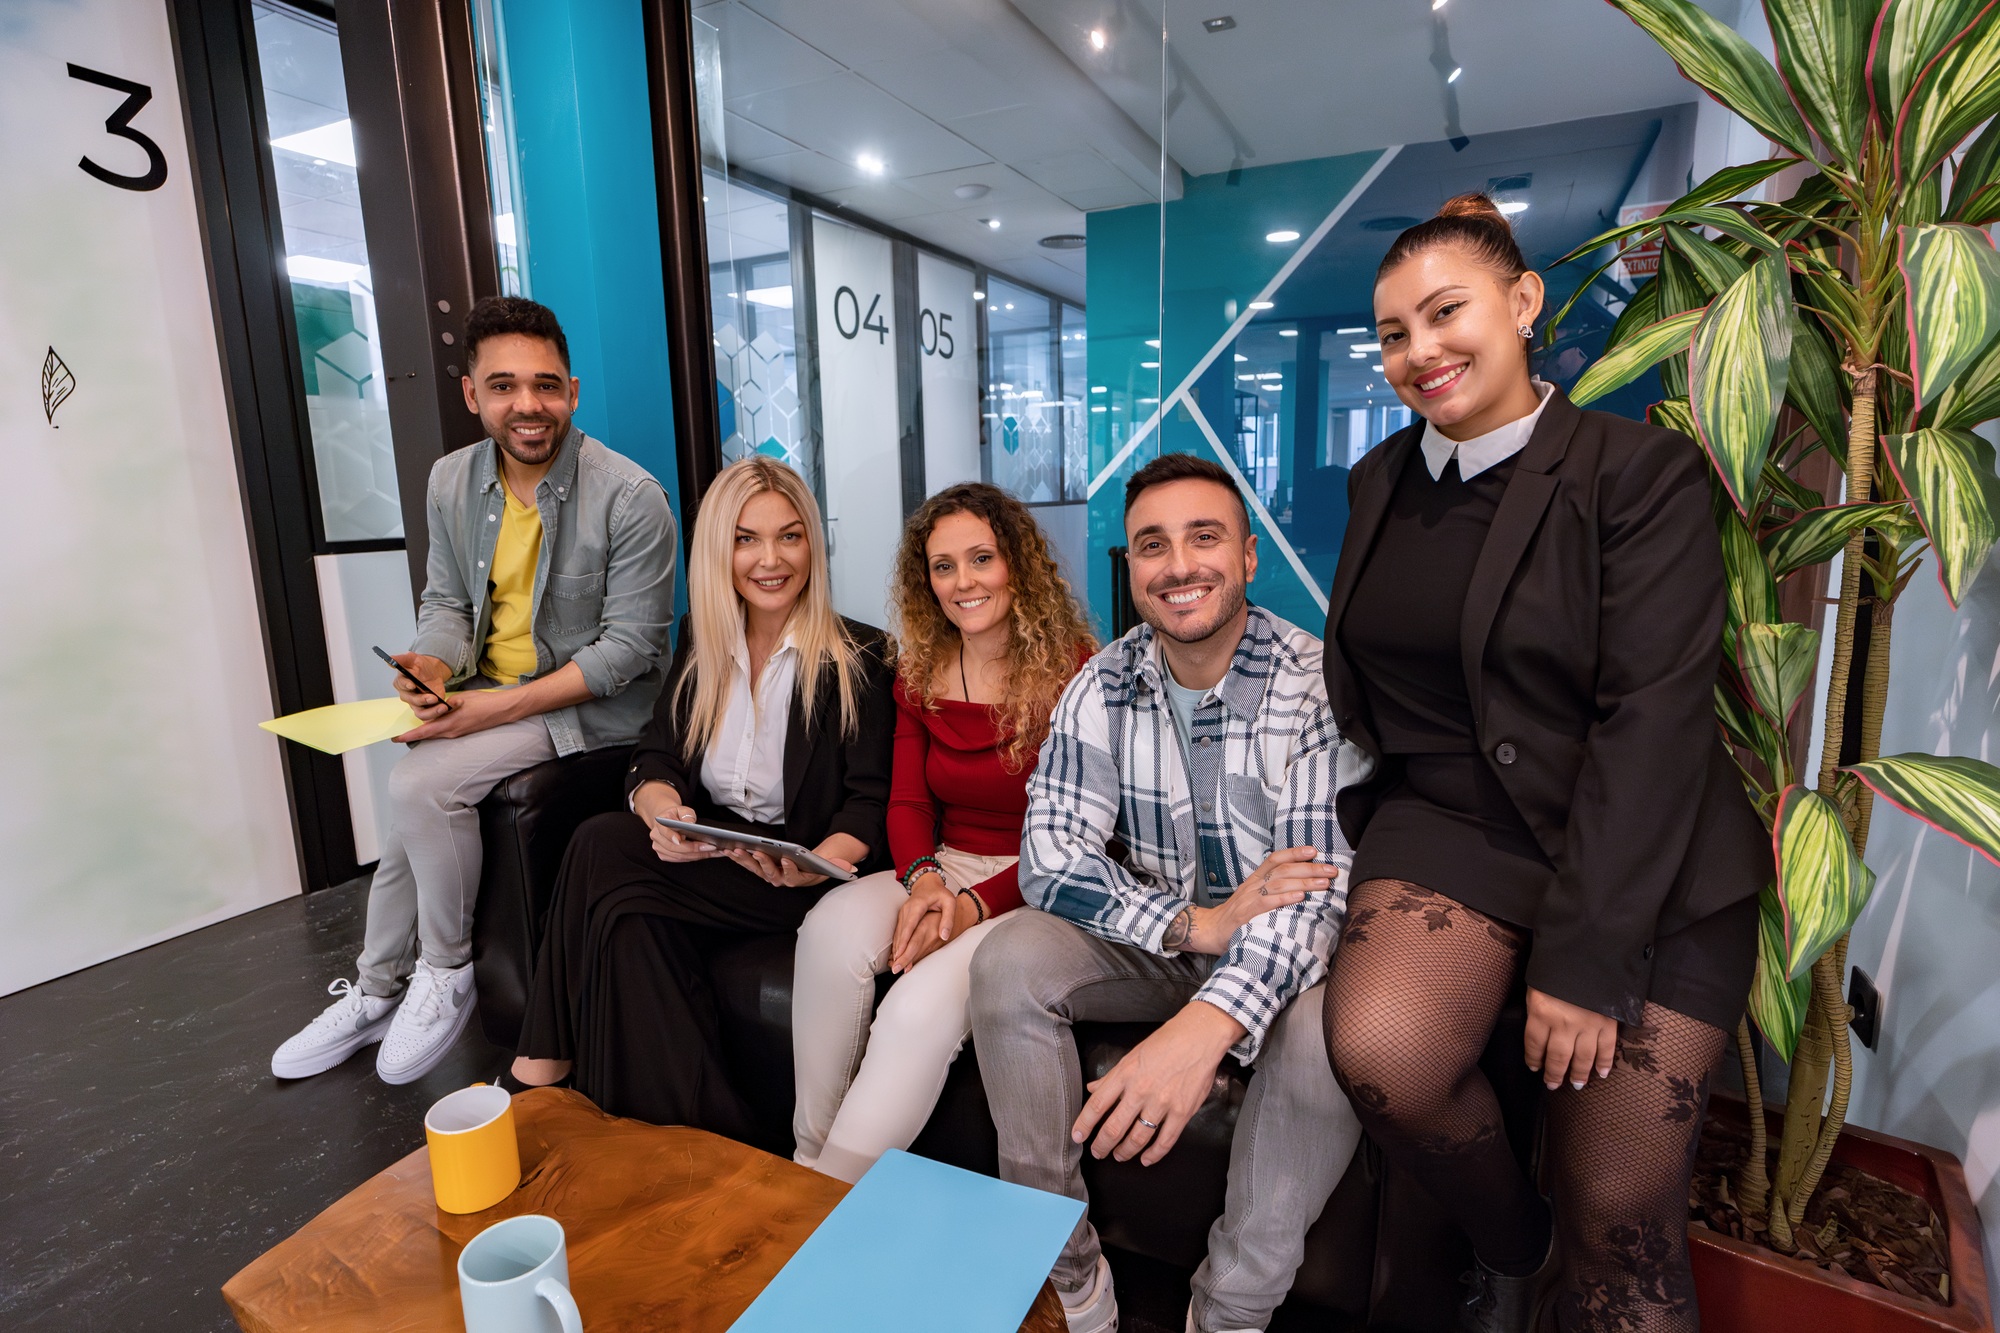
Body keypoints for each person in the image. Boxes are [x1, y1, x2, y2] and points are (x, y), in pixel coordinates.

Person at [1319, 194, 1767, 1332]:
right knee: (1384, 1055)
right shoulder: (1376, 482)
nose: (1417, 351)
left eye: (1442, 312)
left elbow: (1653, 723)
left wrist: (1581, 958)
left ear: (1521, 305)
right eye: (1389, 333)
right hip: (1456, 824)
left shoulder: (1635, 474)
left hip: (1636, 849)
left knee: (1618, 1200)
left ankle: (1579, 1263)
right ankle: (1515, 1249)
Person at [969, 454, 1363, 1333]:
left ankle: (1226, 1312)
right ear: (1132, 566)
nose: (1179, 565)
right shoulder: (1101, 683)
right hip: (1167, 935)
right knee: (1008, 958)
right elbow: (1051, 858)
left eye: (1204, 537)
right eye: (1154, 545)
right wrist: (1198, 924)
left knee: (1322, 1030)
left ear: (1250, 556)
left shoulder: (1316, 684)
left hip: (1286, 961)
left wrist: (1206, 1025)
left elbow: (1314, 902)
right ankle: (1069, 1276)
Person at [271, 296, 677, 1086]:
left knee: (421, 777)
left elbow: (629, 651)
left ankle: (445, 970)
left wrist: (487, 707)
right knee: (412, 802)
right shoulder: (451, 481)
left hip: (597, 712)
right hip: (489, 692)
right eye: (504, 386)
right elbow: (449, 605)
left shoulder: (631, 497)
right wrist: (432, 662)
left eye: (546, 384)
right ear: (472, 395)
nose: (528, 404)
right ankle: (379, 988)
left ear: (573, 390)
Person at [509, 456, 895, 1135]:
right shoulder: (703, 638)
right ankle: (706, 1138)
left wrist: (814, 859)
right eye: (746, 538)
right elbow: (657, 752)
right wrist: (661, 809)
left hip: (801, 876)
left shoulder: (861, 656)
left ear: (813, 544)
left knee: (599, 844)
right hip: (714, 855)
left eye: (790, 535)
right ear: (722, 548)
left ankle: (537, 1079)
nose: (770, 559)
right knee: (629, 926)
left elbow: (868, 803)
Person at [790, 483, 1095, 1183]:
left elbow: (1081, 840)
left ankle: (827, 1196)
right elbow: (905, 799)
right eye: (943, 565)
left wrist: (969, 906)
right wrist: (925, 877)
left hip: (1037, 883)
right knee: (828, 933)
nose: (963, 581)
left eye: (981, 557)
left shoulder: (1076, 671)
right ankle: (804, 1163)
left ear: (1017, 564)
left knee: (915, 1008)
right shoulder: (920, 668)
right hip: (944, 864)